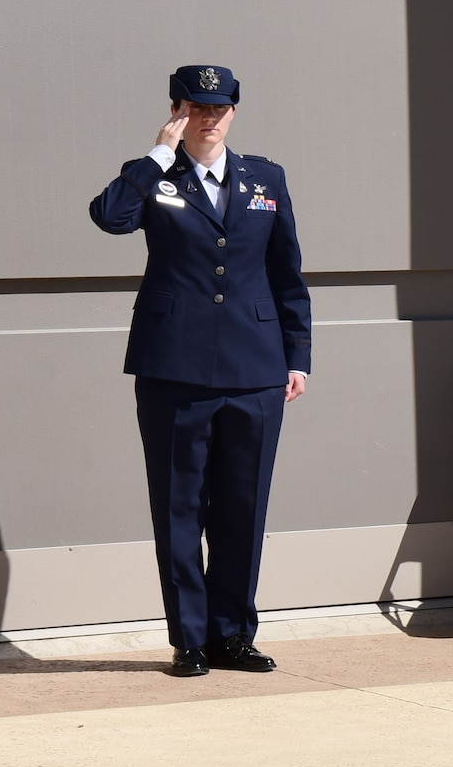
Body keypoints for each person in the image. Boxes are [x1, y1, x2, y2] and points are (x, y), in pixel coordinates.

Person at [89, 65, 312, 678]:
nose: (209, 117)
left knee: (244, 507)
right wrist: (157, 152)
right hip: (175, 367)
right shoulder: (157, 176)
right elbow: (109, 217)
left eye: (220, 107)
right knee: (179, 505)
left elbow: (287, 273)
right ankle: (189, 639)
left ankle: (232, 634)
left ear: (235, 111)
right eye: (196, 106)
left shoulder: (265, 178)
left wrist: (297, 356)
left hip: (256, 365)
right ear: (177, 109)